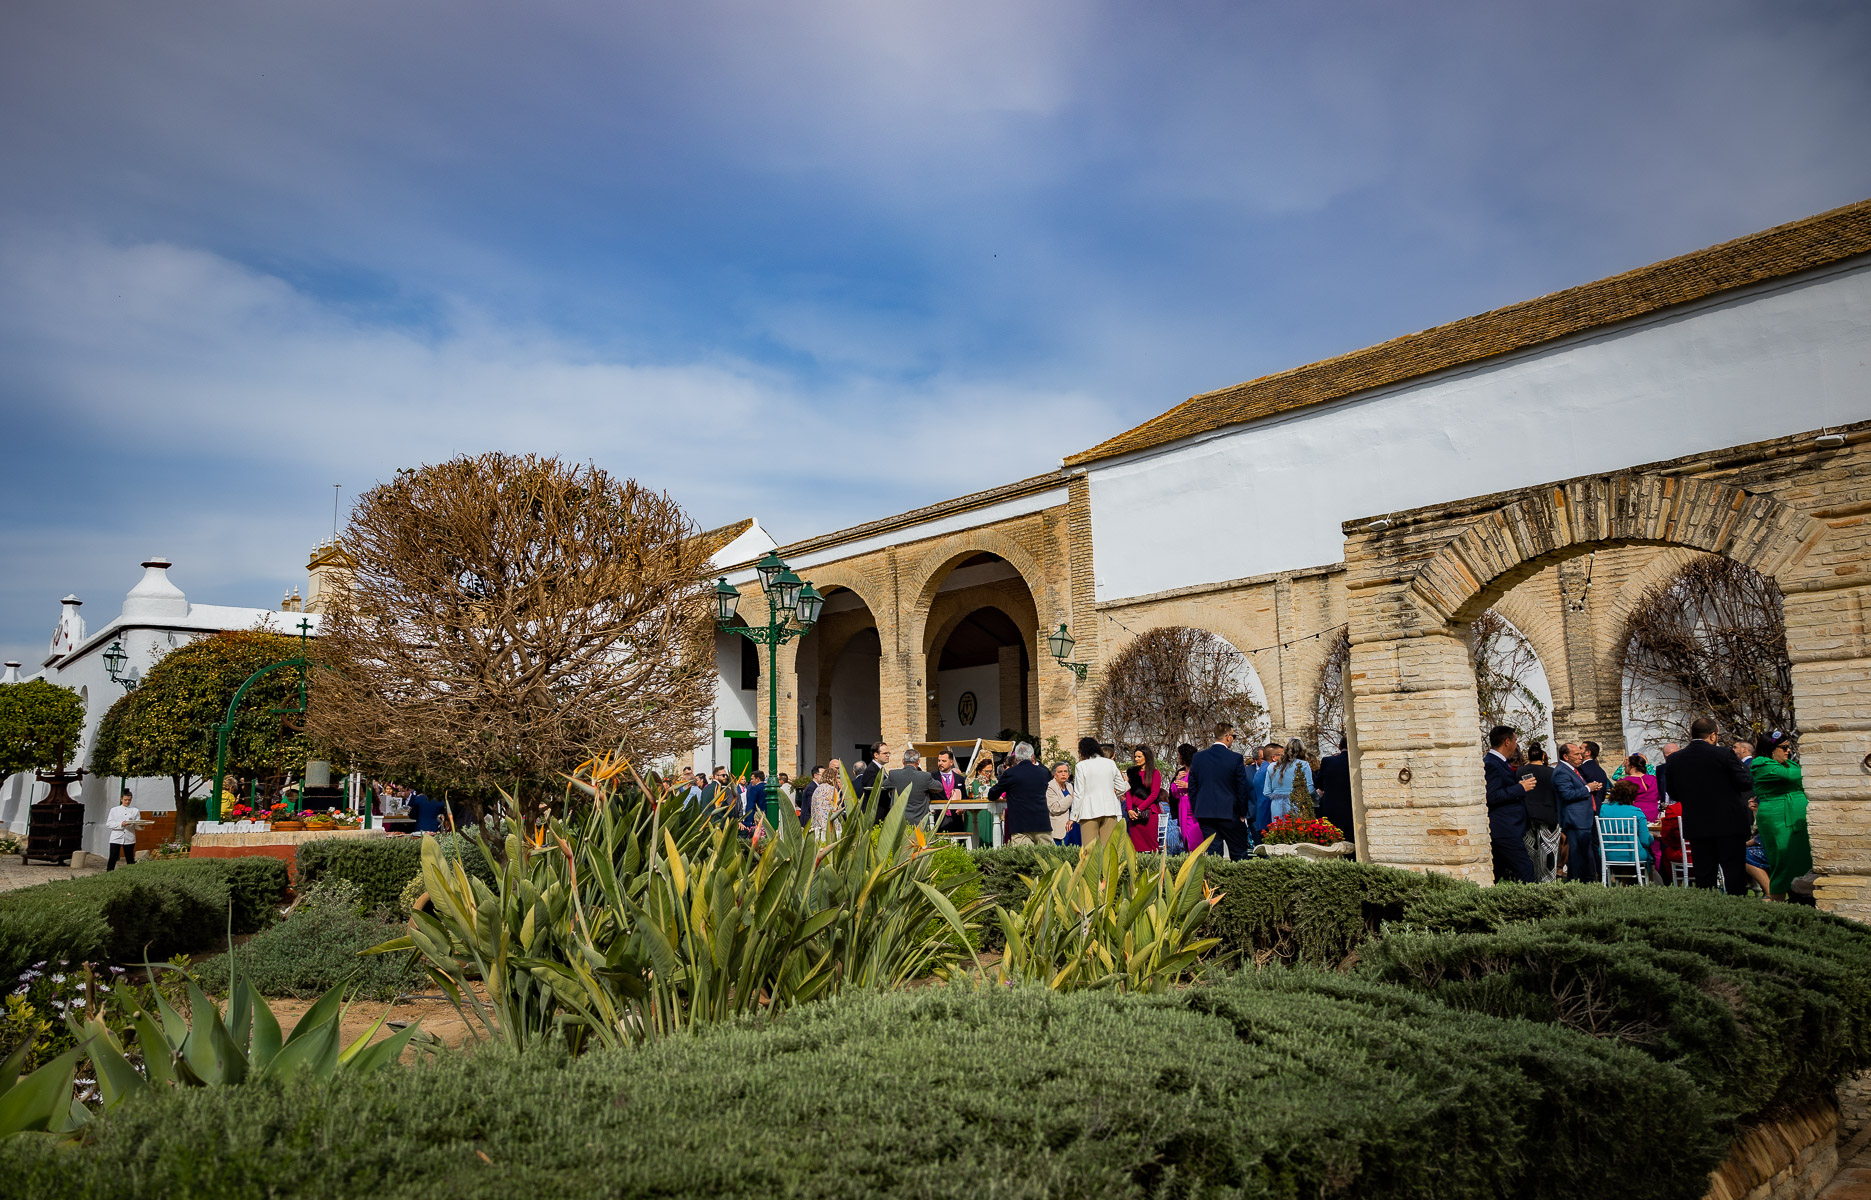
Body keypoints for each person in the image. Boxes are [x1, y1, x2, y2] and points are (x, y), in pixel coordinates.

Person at [1666, 718, 1754, 895]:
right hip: (1729, 823)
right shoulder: (1724, 754)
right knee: (1734, 875)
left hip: (1698, 824)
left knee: (1704, 877)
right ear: (1713, 735)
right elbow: (1745, 782)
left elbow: (1673, 793)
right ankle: (1739, 913)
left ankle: (1708, 911)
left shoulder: (1675, 759)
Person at [1750, 730, 1813, 901]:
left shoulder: (1789, 764)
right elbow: (1791, 776)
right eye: (1784, 747)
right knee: (1783, 860)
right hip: (1778, 819)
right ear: (1770, 749)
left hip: (1796, 818)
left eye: (1789, 747)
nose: (1788, 751)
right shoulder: (1761, 764)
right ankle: (1776, 900)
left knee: (1802, 859)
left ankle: (1800, 897)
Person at [1187, 723, 1253, 860]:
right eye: (1233, 736)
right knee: (1239, 854)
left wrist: (1197, 809)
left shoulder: (1198, 758)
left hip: (1206, 813)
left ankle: (1215, 881)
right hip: (1230, 812)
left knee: (1213, 855)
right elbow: (1241, 787)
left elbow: (1193, 787)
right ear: (1228, 736)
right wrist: (1242, 813)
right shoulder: (1235, 758)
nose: (1233, 739)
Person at [1485, 726, 1538, 883]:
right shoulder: (1491, 763)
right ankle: (1533, 904)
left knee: (1496, 872)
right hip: (1505, 828)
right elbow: (1492, 795)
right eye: (1515, 740)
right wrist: (1520, 788)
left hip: (1508, 827)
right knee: (1525, 869)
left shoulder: (1499, 762)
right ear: (1507, 741)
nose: (1516, 744)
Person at [990, 744, 1054, 846]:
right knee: (1049, 858)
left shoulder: (1010, 773)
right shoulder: (1043, 772)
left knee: (1024, 860)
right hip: (1041, 822)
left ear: (1016, 758)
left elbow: (992, 794)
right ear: (1032, 756)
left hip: (1020, 824)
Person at [1071, 736, 1126, 849]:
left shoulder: (1081, 766)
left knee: (1089, 852)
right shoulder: (1110, 763)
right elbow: (1122, 787)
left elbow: (1078, 794)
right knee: (1108, 850)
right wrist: (1111, 794)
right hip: (1110, 810)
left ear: (1082, 751)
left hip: (1089, 811)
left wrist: (1073, 816)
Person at [1554, 743, 1598, 883]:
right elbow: (1567, 794)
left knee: (1583, 854)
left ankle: (1584, 880)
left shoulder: (1573, 770)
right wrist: (1587, 788)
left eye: (1581, 754)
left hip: (1582, 819)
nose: (1581, 757)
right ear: (1566, 756)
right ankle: (1579, 881)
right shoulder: (1562, 771)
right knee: (1578, 855)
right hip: (1575, 819)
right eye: (1577, 755)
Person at [1597, 778, 1655, 882]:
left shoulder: (1603, 809)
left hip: (1608, 853)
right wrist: (1652, 837)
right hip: (1632, 854)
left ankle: (1624, 884)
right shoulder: (1636, 811)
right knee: (1649, 855)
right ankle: (1647, 887)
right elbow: (1645, 840)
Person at [1517, 743, 1561, 881]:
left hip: (1527, 814)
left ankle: (1533, 878)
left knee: (1531, 850)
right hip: (1549, 815)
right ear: (1543, 756)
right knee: (1549, 850)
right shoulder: (1551, 772)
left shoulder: (1520, 771)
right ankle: (1548, 880)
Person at [1261, 739, 1314, 829]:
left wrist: (1278, 796)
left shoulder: (1272, 766)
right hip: (1296, 804)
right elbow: (1310, 789)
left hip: (1276, 805)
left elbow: (1266, 792)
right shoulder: (1304, 765)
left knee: (1278, 834)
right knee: (1297, 834)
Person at [885, 749, 945, 826]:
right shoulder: (924, 776)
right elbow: (939, 787)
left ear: (903, 761)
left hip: (898, 823)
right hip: (919, 823)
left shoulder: (894, 774)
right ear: (918, 762)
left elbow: (882, 786)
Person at [1124, 747, 1164, 852]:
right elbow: (1128, 792)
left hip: (1149, 813)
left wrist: (1139, 809)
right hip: (1133, 815)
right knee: (1135, 846)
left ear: (1146, 757)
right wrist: (1129, 810)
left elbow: (1154, 794)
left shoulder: (1155, 773)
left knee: (1151, 844)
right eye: (1135, 756)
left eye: (1139, 756)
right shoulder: (1132, 773)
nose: (1136, 759)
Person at [1314, 740, 1352, 848]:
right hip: (1352, 809)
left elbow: (1318, 783)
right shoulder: (1356, 761)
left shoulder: (1328, 761)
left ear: (1339, 746)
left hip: (1332, 808)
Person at [1168, 743, 1201, 854]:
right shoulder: (1180, 772)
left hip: (1193, 807)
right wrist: (1176, 779)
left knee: (1194, 836)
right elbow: (1173, 793)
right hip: (1182, 806)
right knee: (1185, 835)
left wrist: (1188, 786)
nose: (1178, 758)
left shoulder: (1197, 771)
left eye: (1179, 755)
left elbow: (1203, 787)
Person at [104, 789, 141, 871]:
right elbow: (109, 823)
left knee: (130, 858)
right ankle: (109, 874)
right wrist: (121, 824)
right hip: (116, 837)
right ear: (121, 799)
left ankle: (131, 875)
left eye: (129, 800)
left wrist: (140, 825)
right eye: (125, 800)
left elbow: (137, 825)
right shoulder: (114, 810)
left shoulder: (135, 810)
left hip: (129, 837)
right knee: (113, 857)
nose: (127, 802)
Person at [852, 743, 889, 813]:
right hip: (876, 813)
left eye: (888, 753)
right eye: (885, 753)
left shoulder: (880, 769)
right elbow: (872, 792)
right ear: (876, 755)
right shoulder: (871, 770)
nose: (888, 755)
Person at [813, 758, 843, 839]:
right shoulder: (832, 789)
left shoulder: (818, 789)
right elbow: (837, 807)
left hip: (817, 826)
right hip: (830, 827)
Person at [1045, 762, 1075, 843]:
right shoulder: (1050, 787)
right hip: (1060, 829)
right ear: (1054, 775)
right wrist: (1071, 797)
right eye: (1060, 772)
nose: (1063, 774)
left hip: (1073, 826)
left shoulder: (1069, 786)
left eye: (1065, 771)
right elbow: (1054, 808)